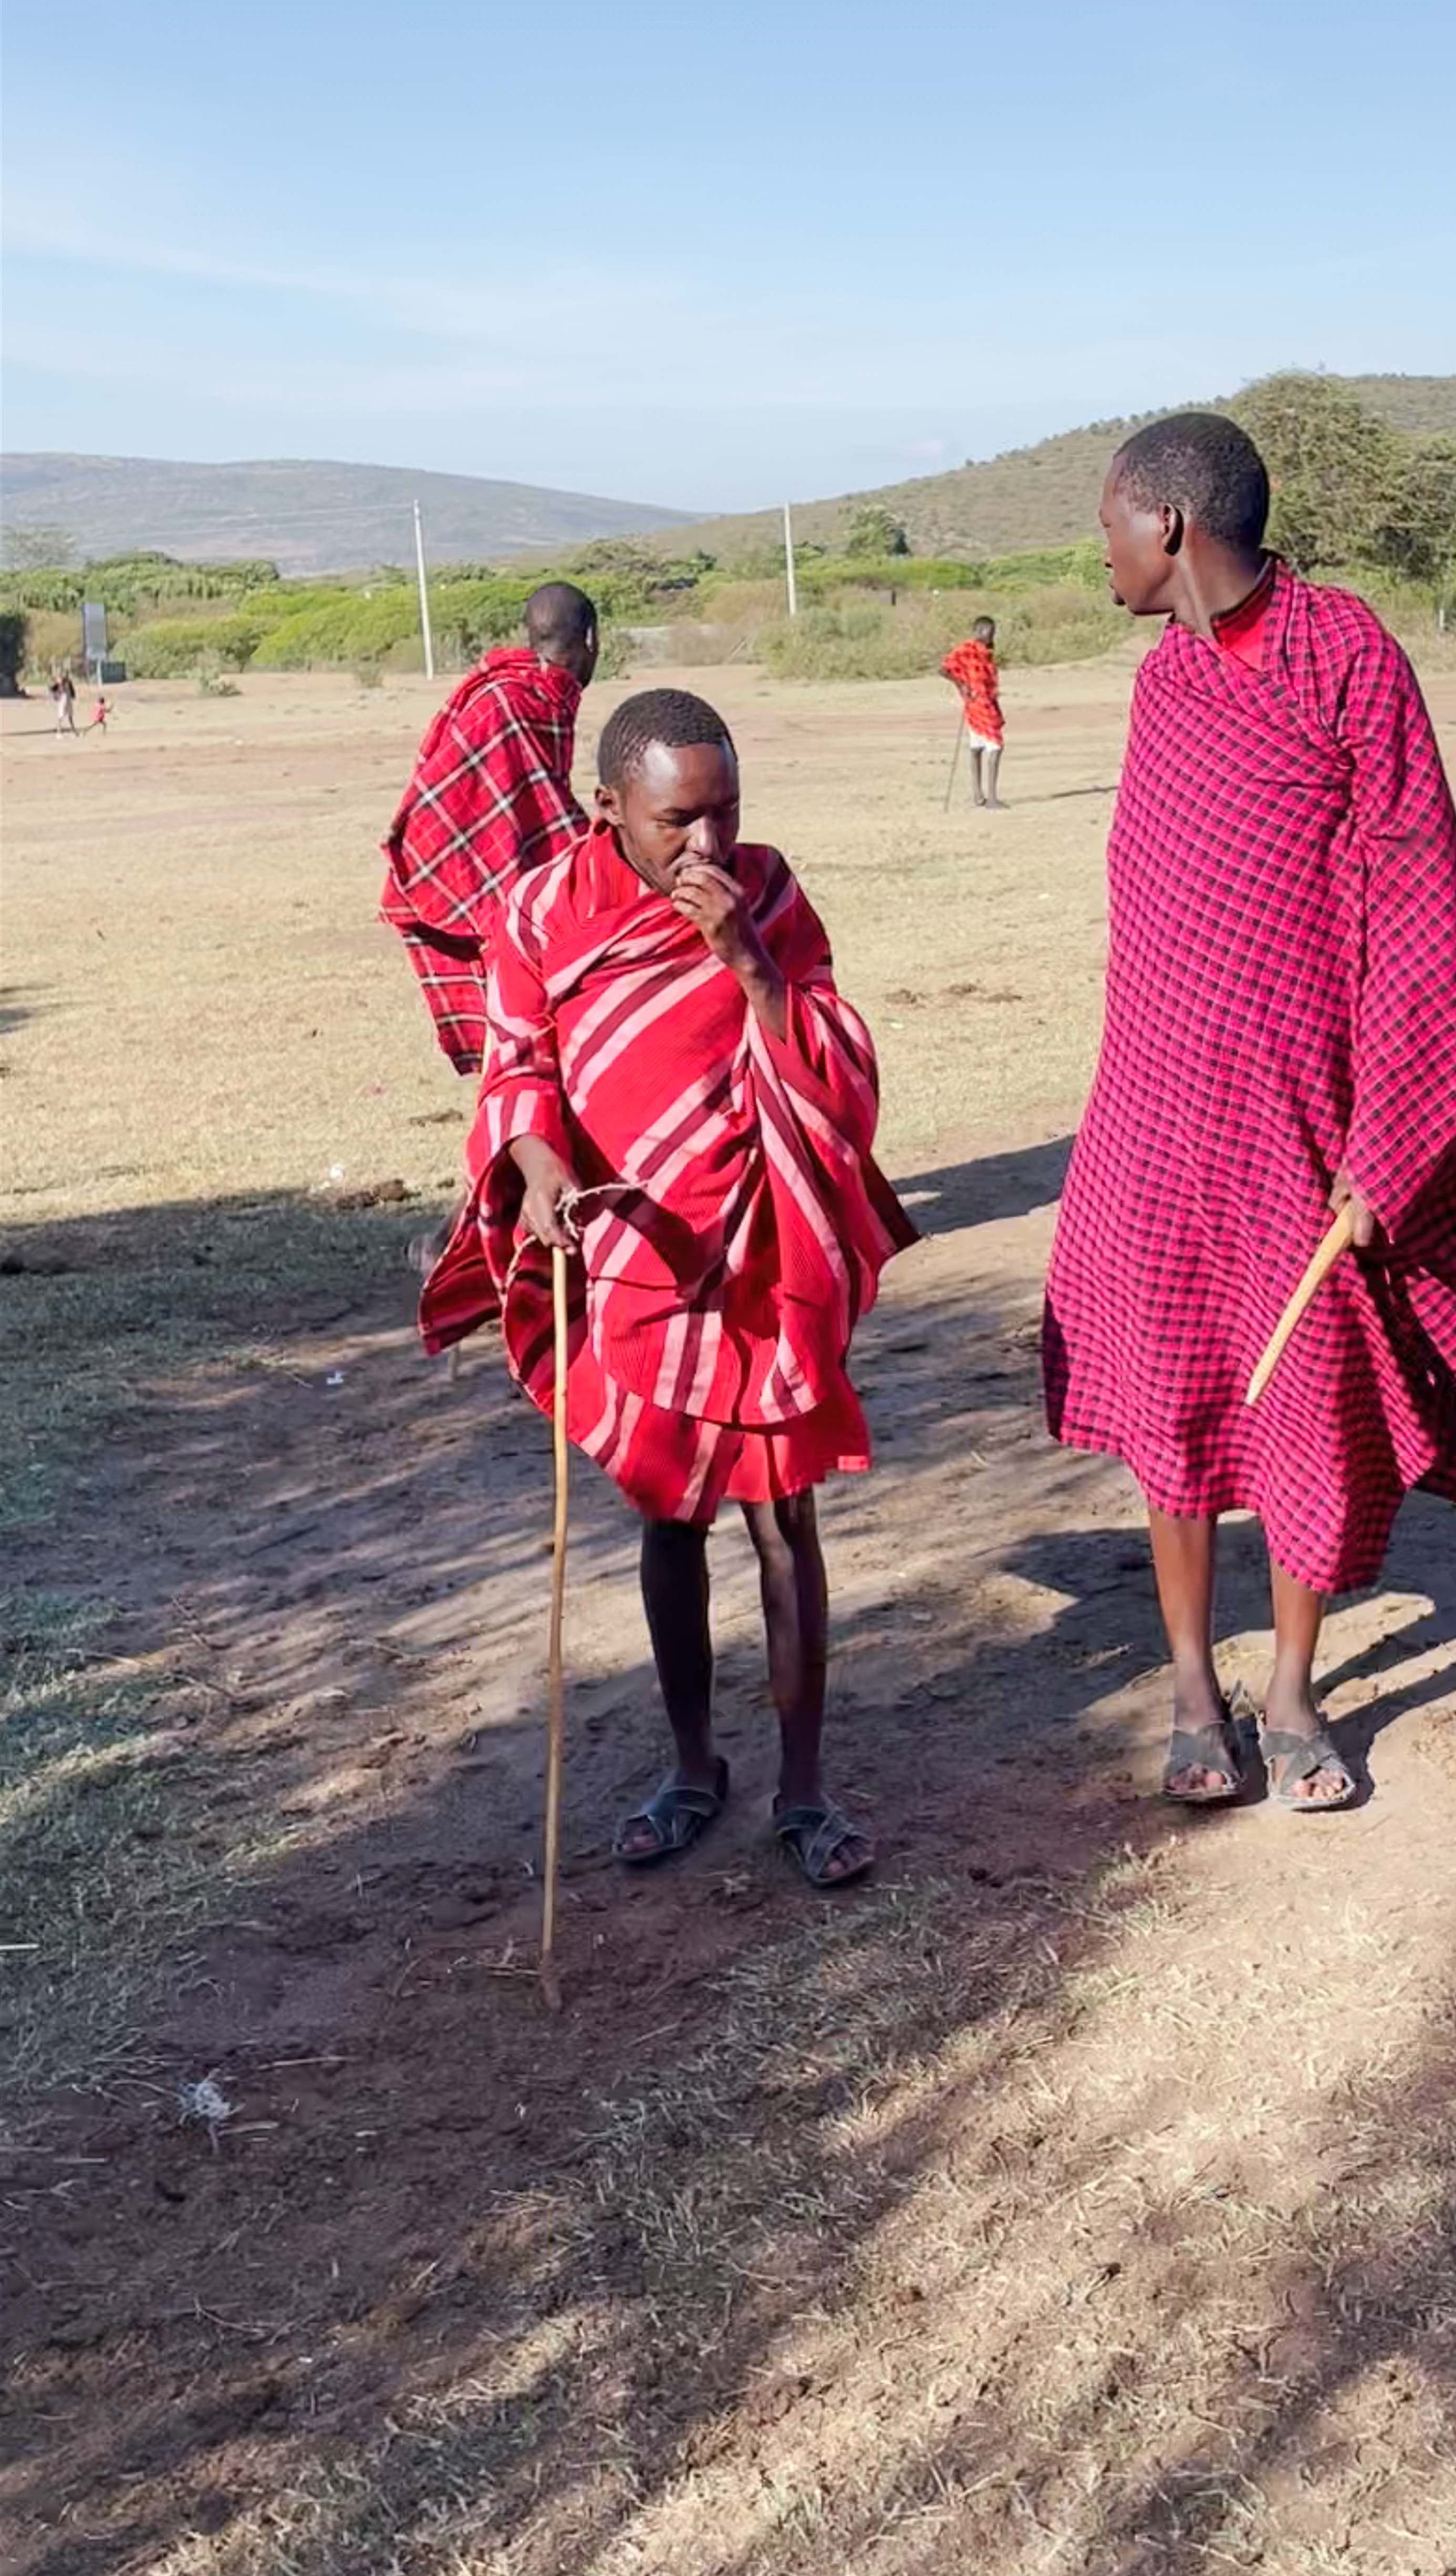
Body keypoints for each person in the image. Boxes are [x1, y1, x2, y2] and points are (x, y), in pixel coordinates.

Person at [1043, 413, 1456, 1811]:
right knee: (1177, 1393)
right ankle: (1197, 1683)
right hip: (1159, 1115)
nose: (1102, 556)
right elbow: (1157, 915)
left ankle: (1296, 1688)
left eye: (1108, 531)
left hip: (1311, 1129)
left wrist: (1386, 1140)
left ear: (1169, 530)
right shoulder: (1164, 685)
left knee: (1309, 1394)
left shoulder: (1345, 658)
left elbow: (1420, 907)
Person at [421, 686, 915, 1889]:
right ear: (607, 809)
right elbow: (518, 1064)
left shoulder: (770, 893)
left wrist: (745, 957)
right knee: (668, 1515)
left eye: (726, 813)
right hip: (626, 1250)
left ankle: (803, 1785)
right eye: (677, 821)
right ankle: (695, 1766)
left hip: (754, 1241)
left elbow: (838, 1069)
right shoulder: (542, 908)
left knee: (782, 1515)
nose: (708, 847)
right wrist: (536, 1173)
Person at [380, 582, 598, 1069]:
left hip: (516, 876)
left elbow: (541, 799)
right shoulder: (510, 700)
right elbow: (463, 802)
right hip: (490, 879)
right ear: (592, 639)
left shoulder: (531, 692)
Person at [939, 615, 1005, 808]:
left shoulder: (987, 652)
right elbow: (944, 669)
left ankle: (979, 796)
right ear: (979, 631)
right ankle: (990, 798)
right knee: (996, 747)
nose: (992, 636)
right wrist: (961, 685)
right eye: (989, 632)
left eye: (993, 633)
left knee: (977, 748)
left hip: (987, 702)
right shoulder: (966, 650)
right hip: (977, 704)